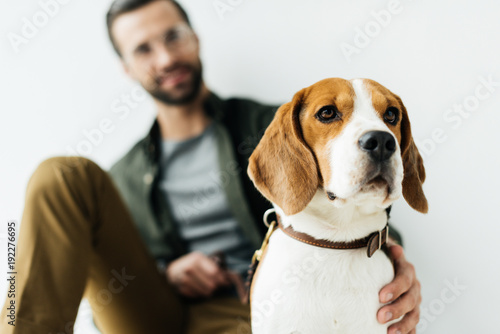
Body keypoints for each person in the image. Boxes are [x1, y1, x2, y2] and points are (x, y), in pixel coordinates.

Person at [0, 0, 422, 333]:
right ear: (126, 68)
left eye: (173, 36)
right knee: (62, 176)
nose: (165, 58)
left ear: (196, 38)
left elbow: (360, 199)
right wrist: (167, 276)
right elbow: (105, 294)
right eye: (144, 49)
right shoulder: (122, 178)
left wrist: (394, 267)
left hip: (260, 309)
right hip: (158, 316)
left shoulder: (269, 126)